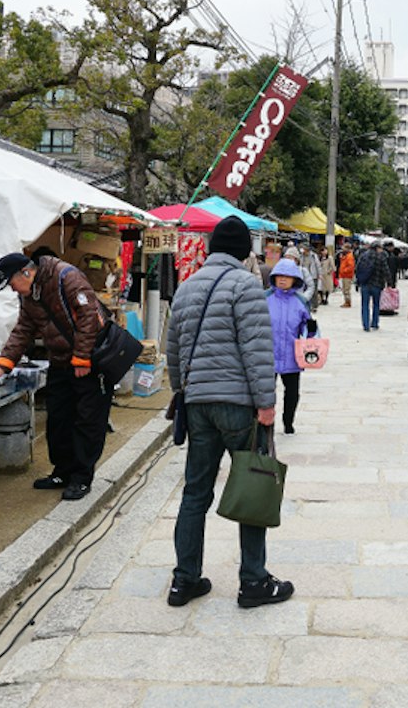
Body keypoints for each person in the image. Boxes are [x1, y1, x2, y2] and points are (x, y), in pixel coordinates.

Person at [164, 216, 294, 609]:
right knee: (252, 484)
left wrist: (181, 392)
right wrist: (267, 403)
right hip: (237, 403)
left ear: (209, 248)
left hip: (197, 402)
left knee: (194, 492)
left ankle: (184, 579)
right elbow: (257, 350)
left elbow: (173, 350)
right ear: (244, 251)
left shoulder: (186, 288)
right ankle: (253, 581)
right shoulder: (245, 285)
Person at [0, 250, 108, 502]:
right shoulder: (30, 295)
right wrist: (4, 363)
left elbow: (88, 315)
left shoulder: (66, 277)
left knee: (87, 420)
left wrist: (82, 357)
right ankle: (62, 471)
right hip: (60, 361)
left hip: (88, 361)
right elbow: (24, 329)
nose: (13, 290)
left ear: (26, 273)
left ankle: (81, 478)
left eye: (12, 283)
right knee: (58, 418)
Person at [265, 257, 312, 435]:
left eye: (287, 276)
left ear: (295, 279)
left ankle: (288, 421)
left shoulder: (300, 301)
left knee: (292, 392)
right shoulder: (265, 298)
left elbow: (309, 328)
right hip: (268, 355)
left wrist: (311, 332)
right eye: (279, 276)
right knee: (266, 392)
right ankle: (265, 422)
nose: (283, 279)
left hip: (292, 355)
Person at [355, 241, 391, 332]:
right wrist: (390, 283)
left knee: (365, 305)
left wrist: (357, 282)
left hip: (365, 283)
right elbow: (386, 270)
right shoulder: (381, 257)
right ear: (377, 248)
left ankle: (366, 325)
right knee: (376, 304)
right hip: (377, 284)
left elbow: (358, 269)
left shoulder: (363, 256)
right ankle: (374, 323)